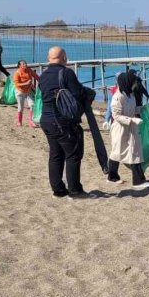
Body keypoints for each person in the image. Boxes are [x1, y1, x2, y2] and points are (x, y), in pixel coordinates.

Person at [38, 47, 90, 199]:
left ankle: (58, 190)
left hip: (46, 120)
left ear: (49, 58)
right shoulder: (66, 73)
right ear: (65, 58)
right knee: (73, 154)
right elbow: (77, 94)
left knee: (55, 154)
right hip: (62, 121)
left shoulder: (43, 75)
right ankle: (74, 190)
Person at [107, 72, 149, 190]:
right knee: (117, 152)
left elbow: (133, 108)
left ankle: (138, 180)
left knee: (135, 152)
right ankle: (112, 176)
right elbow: (116, 115)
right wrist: (132, 120)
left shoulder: (130, 95)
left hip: (131, 127)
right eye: (133, 82)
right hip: (120, 128)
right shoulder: (117, 96)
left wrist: (141, 109)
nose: (134, 85)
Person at [12, 60, 39, 128]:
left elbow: (36, 76)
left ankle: (31, 121)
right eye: (23, 64)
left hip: (29, 90)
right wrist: (26, 83)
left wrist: (43, 82)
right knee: (20, 107)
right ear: (19, 65)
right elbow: (17, 84)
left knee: (32, 105)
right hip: (20, 91)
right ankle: (19, 122)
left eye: (26, 63)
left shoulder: (29, 70)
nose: (25, 64)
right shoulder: (17, 73)